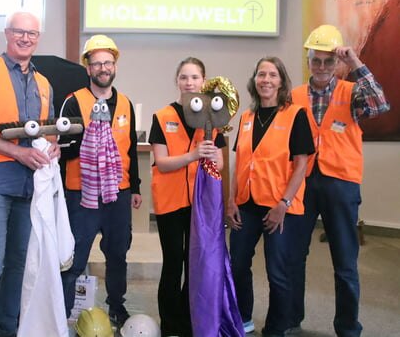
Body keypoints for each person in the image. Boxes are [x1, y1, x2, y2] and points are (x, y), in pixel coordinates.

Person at [0, 10, 60, 337]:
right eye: (19, 31)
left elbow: (45, 132)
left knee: (18, 266)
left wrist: (52, 146)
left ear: (38, 38)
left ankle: (8, 331)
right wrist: (18, 152)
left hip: (29, 187)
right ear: (7, 33)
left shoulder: (44, 84)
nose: (25, 38)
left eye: (31, 33)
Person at [289, 25, 390, 337]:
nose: (321, 67)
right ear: (308, 62)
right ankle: (291, 319)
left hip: (341, 184)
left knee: (345, 262)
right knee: (294, 257)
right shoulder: (293, 97)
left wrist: (356, 62)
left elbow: (379, 105)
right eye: (316, 61)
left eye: (328, 61)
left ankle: (347, 328)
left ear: (337, 63)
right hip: (303, 184)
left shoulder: (352, 91)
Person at [225, 56, 315, 337]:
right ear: (254, 81)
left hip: (279, 207)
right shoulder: (247, 117)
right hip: (246, 206)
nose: (266, 80)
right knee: (238, 263)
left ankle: (276, 327)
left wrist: (284, 204)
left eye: (272, 75)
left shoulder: (295, 114)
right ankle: (244, 316)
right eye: (261, 74)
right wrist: (231, 200)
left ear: (281, 82)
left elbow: (301, 163)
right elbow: (241, 162)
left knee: (278, 272)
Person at [59, 34, 142, 327]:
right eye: (97, 63)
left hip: (118, 193)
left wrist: (136, 188)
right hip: (82, 193)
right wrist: (90, 138)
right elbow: (63, 149)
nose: (103, 68)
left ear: (115, 65)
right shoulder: (73, 102)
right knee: (75, 256)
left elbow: (130, 147)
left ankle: (116, 305)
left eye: (108, 62)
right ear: (88, 67)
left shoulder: (126, 104)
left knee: (118, 253)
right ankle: (62, 311)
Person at [148, 57, 225, 337]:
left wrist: (213, 155)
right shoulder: (162, 116)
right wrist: (193, 155)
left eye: (194, 77)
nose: (189, 82)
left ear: (203, 81)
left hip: (200, 204)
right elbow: (162, 162)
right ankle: (170, 324)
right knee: (172, 264)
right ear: (176, 81)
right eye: (183, 77)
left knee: (195, 265)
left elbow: (220, 165)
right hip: (170, 203)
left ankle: (189, 319)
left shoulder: (214, 116)